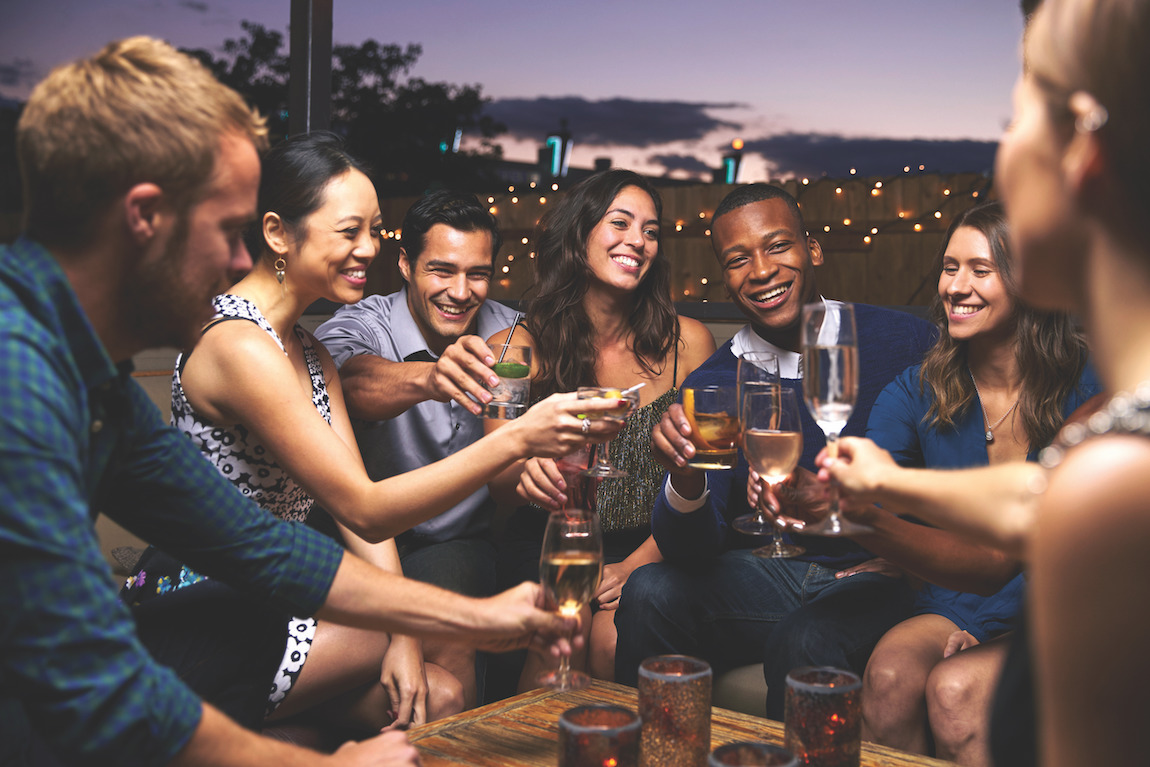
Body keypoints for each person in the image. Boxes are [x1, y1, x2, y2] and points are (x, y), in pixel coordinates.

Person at [0, 36, 592, 767]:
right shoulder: (18, 381)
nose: (234, 262)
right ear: (143, 218)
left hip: (194, 639)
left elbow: (265, 548)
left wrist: (479, 617)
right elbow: (92, 685)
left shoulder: (92, 376)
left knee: (426, 696)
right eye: (226, 230)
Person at [821, 1, 1150, 762]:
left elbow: (1050, 506)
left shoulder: (1115, 477)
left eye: (1018, 115)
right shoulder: (1113, 440)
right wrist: (878, 485)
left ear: (1081, 163)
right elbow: (1033, 497)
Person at [612, 182, 937, 719]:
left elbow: (959, 465)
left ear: (812, 249)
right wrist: (687, 476)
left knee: (806, 639)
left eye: (777, 246)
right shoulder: (717, 381)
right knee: (649, 590)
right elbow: (692, 550)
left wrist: (910, 553)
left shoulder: (904, 342)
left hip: (877, 573)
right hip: (770, 573)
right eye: (738, 259)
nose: (760, 271)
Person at [846, 201, 1097, 765]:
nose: (955, 287)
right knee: (887, 677)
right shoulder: (918, 389)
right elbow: (869, 474)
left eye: (980, 270)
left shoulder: (1089, 389)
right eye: (949, 267)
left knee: (954, 690)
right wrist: (831, 496)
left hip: (1058, 603)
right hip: (955, 598)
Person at [485, 169, 716, 685]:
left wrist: (636, 564)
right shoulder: (511, 349)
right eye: (621, 222)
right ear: (580, 233)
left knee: (613, 643)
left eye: (651, 230)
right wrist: (524, 463)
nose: (638, 240)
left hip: (652, 543)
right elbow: (497, 483)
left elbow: (709, 477)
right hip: (550, 540)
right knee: (559, 642)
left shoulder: (690, 345)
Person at [315, 190, 518, 708]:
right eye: (441, 270)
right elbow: (352, 383)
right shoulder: (360, 322)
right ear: (405, 264)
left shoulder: (512, 331)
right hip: (356, 540)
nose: (460, 291)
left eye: (478, 273)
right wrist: (431, 377)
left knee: (445, 617)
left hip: (455, 541)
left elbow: (518, 431)